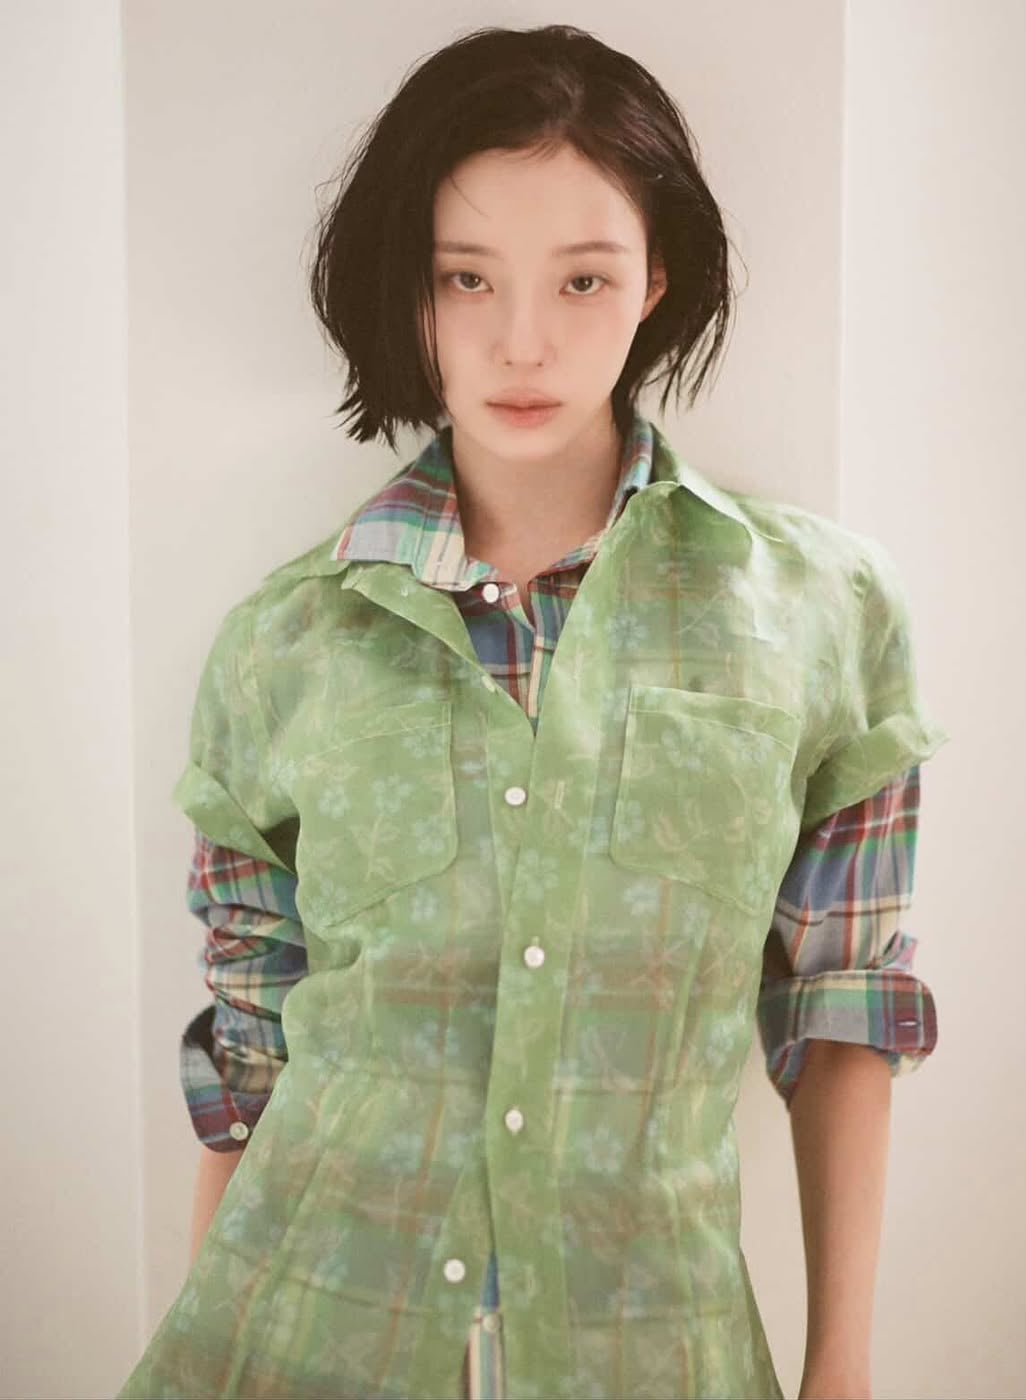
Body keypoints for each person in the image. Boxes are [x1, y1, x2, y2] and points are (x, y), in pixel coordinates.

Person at [117, 23, 949, 1400]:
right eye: (468, 277)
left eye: (582, 278)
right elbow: (251, 1068)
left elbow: (844, 1005)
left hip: (656, 1351)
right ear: (415, 291)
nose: (522, 340)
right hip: (301, 1344)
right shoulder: (283, 644)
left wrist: (840, 1369)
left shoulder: (821, 615)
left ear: (655, 281)